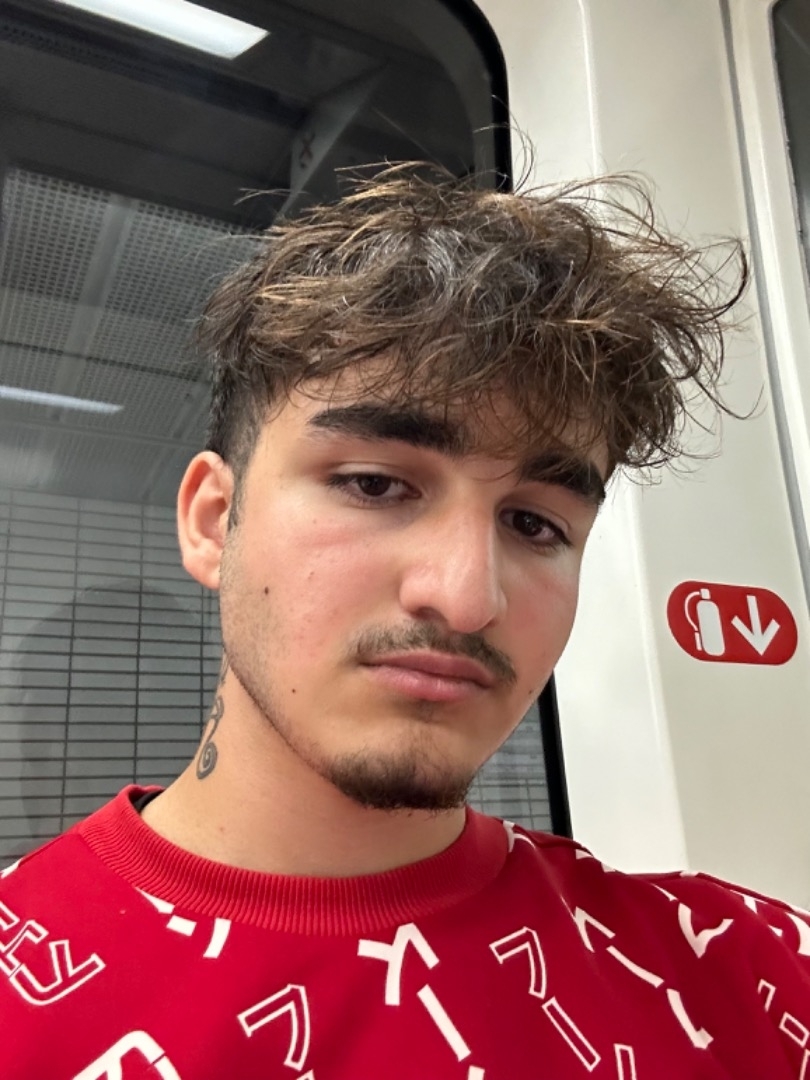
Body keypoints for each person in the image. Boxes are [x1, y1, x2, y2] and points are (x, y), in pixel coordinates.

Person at [1, 165, 807, 1079]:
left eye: (535, 524)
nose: (467, 599)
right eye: (376, 485)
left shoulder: (744, 975)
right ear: (214, 521)